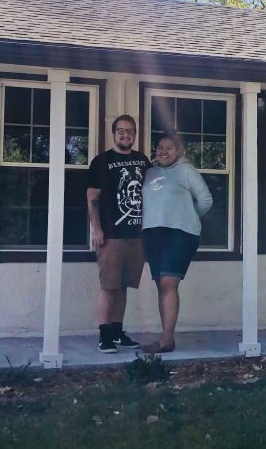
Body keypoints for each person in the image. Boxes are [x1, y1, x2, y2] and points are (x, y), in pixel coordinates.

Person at [141, 132, 213, 353]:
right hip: (153, 234)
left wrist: (188, 215)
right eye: (160, 147)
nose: (164, 151)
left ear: (178, 151)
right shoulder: (149, 173)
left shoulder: (187, 170)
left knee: (168, 283)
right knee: (160, 284)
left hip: (180, 234)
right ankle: (166, 336)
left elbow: (206, 200)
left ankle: (166, 340)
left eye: (169, 147)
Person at [86, 114, 150, 353]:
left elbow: (151, 193)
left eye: (130, 131)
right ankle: (104, 336)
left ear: (135, 134)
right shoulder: (101, 161)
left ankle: (117, 331)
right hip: (111, 234)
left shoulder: (142, 161)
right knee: (108, 286)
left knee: (123, 286)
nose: (125, 135)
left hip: (136, 235)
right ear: (113, 134)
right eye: (121, 131)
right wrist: (97, 228)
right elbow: (92, 197)